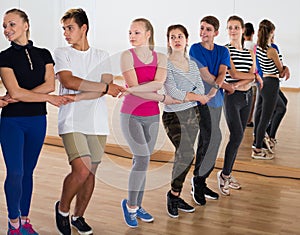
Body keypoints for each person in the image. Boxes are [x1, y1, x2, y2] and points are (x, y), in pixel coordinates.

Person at [53, 8, 125, 235]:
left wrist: (89, 93)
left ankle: (79, 216)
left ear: (84, 28)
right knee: (82, 169)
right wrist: (103, 87)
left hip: (96, 123)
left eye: (70, 28)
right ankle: (63, 209)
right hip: (71, 121)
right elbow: (70, 80)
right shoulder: (62, 53)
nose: (66, 33)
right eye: (64, 29)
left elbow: (102, 90)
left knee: (91, 173)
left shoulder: (101, 55)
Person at [0, 8, 70, 235]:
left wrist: (26, 95)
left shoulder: (44, 54)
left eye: (11, 24)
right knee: (16, 172)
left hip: (37, 120)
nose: (6, 30)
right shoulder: (4, 57)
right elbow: (16, 92)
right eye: (4, 26)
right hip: (12, 122)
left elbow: (50, 85)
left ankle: (24, 220)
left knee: (28, 172)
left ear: (25, 25)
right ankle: (13, 224)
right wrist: (44, 98)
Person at [119, 18, 170, 228]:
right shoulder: (126, 56)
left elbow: (159, 83)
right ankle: (130, 206)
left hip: (151, 115)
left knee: (143, 162)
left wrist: (136, 89)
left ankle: (137, 204)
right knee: (142, 158)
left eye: (137, 32)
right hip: (130, 114)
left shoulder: (161, 57)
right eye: (130, 32)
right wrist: (143, 89)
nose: (132, 36)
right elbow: (134, 84)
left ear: (148, 33)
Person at [163, 24, 209, 218]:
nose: (176, 40)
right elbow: (173, 92)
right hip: (173, 115)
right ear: (168, 42)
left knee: (185, 155)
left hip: (192, 114)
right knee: (186, 152)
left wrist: (190, 96)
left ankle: (176, 195)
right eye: (172, 37)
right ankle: (173, 195)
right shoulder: (166, 64)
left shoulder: (192, 63)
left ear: (186, 39)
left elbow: (200, 87)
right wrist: (195, 97)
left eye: (180, 36)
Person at [217, 15, 263, 196]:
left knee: (240, 137)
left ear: (243, 30)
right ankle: (224, 174)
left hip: (247, 97)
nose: (233, 31)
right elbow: (235, 74)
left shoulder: (249, 52)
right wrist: (251, 78)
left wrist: (249, 78)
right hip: (232, 98)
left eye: (236, 27)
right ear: (227, 31)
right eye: (230, 27)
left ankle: (228, 174)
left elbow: (252, 74)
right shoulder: (225, 51)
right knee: (236, 136)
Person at [189, 15, 231, 205]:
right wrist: (222, 86)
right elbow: (205, 76)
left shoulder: (222, 50)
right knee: (212, 138)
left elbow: (222, 72)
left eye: (207, 29)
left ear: (216, 32)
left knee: (209, 140)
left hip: (216, 100)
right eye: (202, 28)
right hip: (202, 101)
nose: (203, 32)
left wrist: (218, 88)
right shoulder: (195, 49)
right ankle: (197, 181)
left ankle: (201, 180)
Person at [252, 19, 285, 160]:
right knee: (265, 118)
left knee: (281, 106)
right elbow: (281, 70)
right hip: (271, 83)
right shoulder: (271, 51)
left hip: (265, 81)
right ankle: (258, 149)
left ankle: (263, 141)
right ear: (271, 32)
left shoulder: (259, 47)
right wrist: (286, 68)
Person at [243, 22, 256, 127]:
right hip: (252, 76)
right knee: (252, 99)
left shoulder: (240, 46)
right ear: (253, 32)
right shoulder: (254, 47)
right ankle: (248, 120)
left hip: (241, 75)